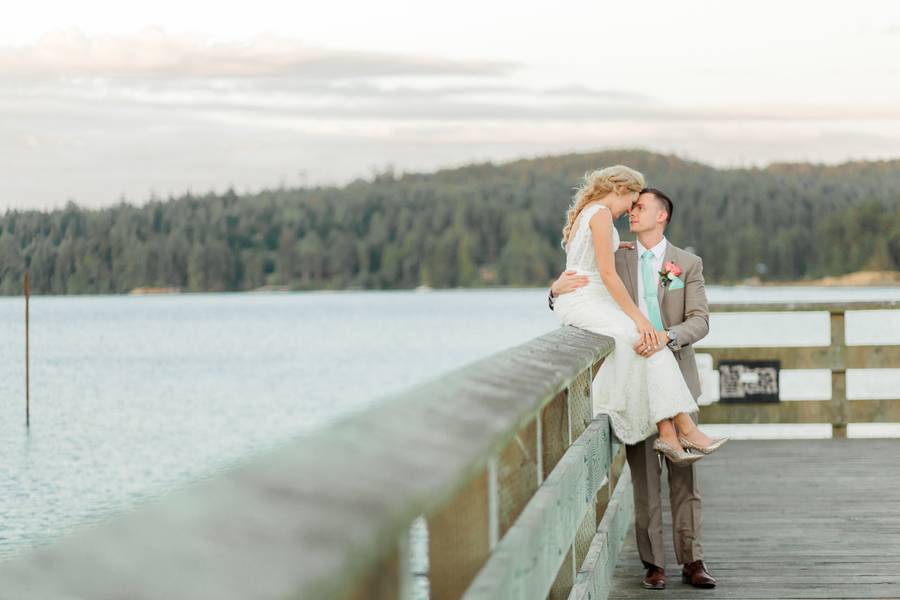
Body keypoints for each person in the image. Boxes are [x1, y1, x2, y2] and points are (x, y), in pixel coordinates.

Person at [550, 169, 723, 589]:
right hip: (636, 375)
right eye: (632, 203)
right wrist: (554, 291)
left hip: (674, 370)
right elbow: (586, 280)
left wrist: (666, 336)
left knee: (685, 480)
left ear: (661, 216)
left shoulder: (685, 263)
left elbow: (700, 322)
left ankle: (693, 560)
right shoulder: (618, 251)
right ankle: (654, 566)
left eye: (641, 207)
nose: (633, 211)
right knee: (645, 480)